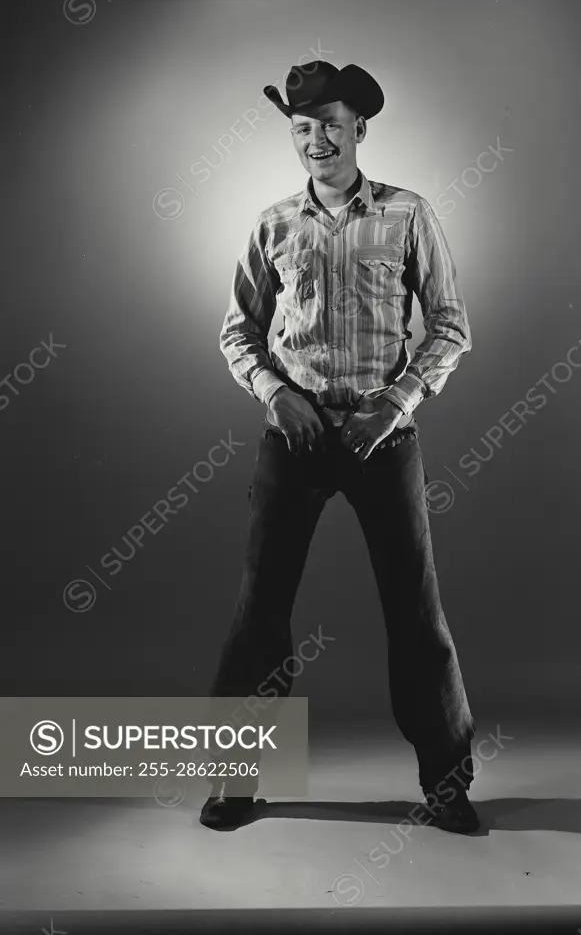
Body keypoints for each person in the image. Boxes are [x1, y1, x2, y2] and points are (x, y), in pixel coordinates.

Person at [200, 60, 479, 835]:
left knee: (414, 612)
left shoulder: (409, 215)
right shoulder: (272, 223)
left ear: (360, 127)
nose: (315, 139)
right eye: (301, 127)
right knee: (260, 611)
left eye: (329, 123)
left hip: (381, 436)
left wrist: (395, 403)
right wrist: (276, 394)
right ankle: (232, 780)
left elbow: (452, 326)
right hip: (294, 437)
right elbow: (237, 331)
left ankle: (447, 784)